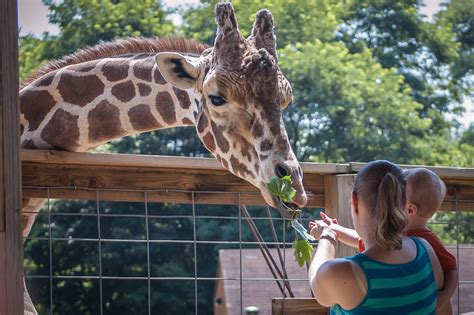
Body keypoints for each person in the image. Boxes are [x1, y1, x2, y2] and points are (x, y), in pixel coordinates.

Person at [314, 167, 458, 314]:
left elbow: (316, 282)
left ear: (355, 201)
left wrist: (327, 237)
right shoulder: (425, 249)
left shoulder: (338, 273)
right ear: (402, 203)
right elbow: (361, 240)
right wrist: (334, 230)